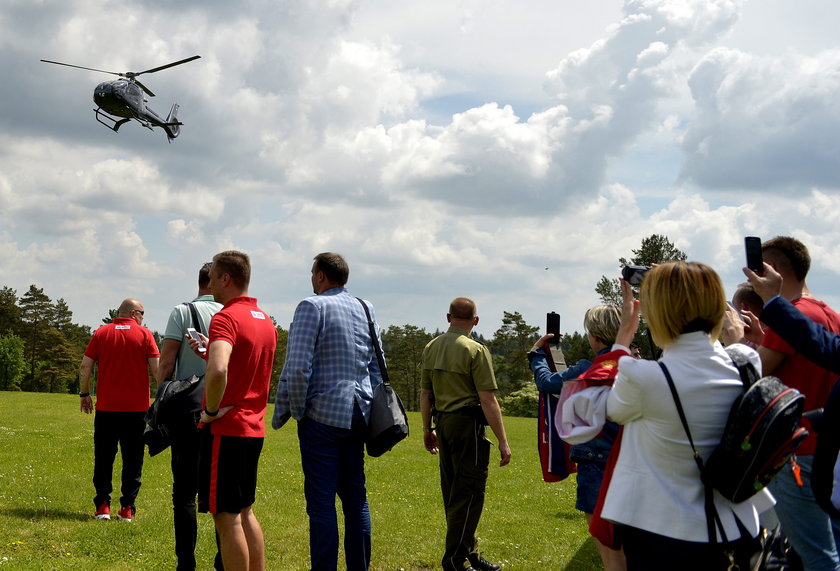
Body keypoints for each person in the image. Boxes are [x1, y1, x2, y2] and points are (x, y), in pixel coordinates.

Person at [601, 262, 772, 570]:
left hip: (662, 531)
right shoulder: (745, 361)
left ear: (656, 313)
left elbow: (613, 410)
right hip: (733, 525)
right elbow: (737, 354)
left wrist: (623, 337)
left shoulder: (641, 376)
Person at [272, 252, 383, 571]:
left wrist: (298, 410)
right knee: (355, 498)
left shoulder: (311, 306)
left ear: (321, 276)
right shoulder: (366, 307)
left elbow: (297, 369)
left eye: (312, 273)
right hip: (359, 411)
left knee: (321, 502)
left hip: (321, 414)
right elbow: (377, 365)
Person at [747, 237, 840, 571]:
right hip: (828, 448)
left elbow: (754, 374)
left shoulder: (791, 316)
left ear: (771, 272)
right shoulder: (828, 312)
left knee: (816, 554)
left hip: (796, 449)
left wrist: (734, 341)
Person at [193, 251, 277, 571]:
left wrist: (211, 410)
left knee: (226, 519)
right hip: (253, 428)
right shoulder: (264, 319)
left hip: (226, 430)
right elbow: (244, 366)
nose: (209, 281)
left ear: (226, 279)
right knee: (245, 511)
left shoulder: (225, 317)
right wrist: (208, 352)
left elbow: (218, 371)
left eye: (212, 275)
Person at [528, 305, 627, 571]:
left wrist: (537, 353)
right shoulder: (638, 368)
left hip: (595, 466)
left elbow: (547, 382)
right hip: (633, 465)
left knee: (610, 552)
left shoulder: (588, 369)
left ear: (595, 337)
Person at [420, 297, 512, 571]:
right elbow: (488, 400)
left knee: (454, 492)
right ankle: (454, 560)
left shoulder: (432, 347)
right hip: (468, 425)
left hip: (444, 423)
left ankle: (469, 552)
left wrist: (427, 429)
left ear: (448, 317)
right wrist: (503, 441)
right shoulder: (475, 350)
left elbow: (425, 394)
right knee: (469, 492)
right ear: (476, 321)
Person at [156, 262, 223, 571]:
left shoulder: (182, 312)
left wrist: (161, 400)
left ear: (200, 283)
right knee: (223, 495)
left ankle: (186, 563)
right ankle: (225, 561)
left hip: (188, 411)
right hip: (223, 408)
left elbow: (166, 361)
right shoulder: (229, 313)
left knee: (183, 492)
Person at [79, 298, 159, 522]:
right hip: (136, 411)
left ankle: (102, 505)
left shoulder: (101, 333)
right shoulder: (145, 335)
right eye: (142, 313)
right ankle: (127, 508)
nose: (143, 317)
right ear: (134, 313)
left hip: (107, 409)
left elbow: (86, 366)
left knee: (104, 458)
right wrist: (164, 397)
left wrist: (85, 394)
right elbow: (157, 370)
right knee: (133, 460)